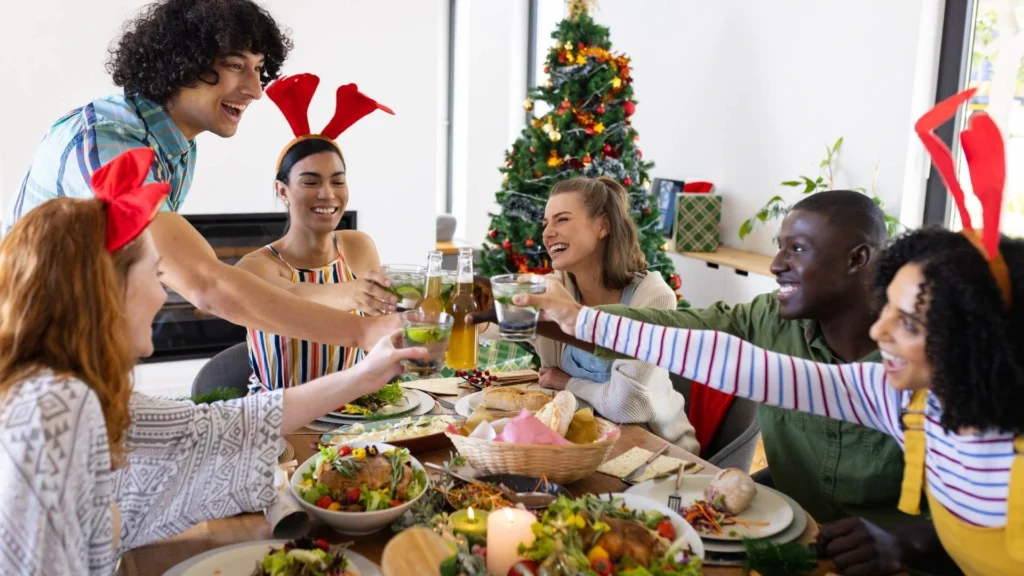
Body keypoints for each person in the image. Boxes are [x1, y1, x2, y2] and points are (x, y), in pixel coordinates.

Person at [523, 91, 1021, 576]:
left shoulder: (954, 418)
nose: (882, 328)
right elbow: (735, 363)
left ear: (974, 336)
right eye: (888, 307)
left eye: (907, 321)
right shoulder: (886, 392)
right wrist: (573, 318)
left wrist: (909, 543)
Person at [0, 148, 427, 575]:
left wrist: (366, 374)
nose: (163, 295)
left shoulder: (78, 394)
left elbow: (218, 423)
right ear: (107, 290)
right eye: (156, 274)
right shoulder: (55, 411)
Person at [490, 189, 907, 526]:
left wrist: (903, 541)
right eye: (780, 248)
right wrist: (565, 317)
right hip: (783, 533)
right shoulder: (768, 318)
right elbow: (674, 329)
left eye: (796, 249)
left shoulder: (917, 365)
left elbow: (949, 509)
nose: (777, 264)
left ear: (857, 259)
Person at [5, 0, 397, 353]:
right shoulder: (108, 141)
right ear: (183, 62)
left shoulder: (176, 146)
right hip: (30, 355)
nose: (256, 90)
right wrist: (362, 333)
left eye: (259, 69)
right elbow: (205, 283)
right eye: (236, 65)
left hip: (87, 346)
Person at [238, 74, 397, 391]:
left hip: (355, 409)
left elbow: (376, 336)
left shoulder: (358, 246)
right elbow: (288, 300)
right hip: (278, 414)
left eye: (338, 181)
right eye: (310, 182)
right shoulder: (255, 267)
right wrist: (353, 293)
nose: (328, 194)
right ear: (283, 191)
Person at [524, 176, 697, 451]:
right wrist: (479, 316)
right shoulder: (558, 289)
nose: (547, 233)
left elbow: (623, 405)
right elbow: (503, 320)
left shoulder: (653, 299)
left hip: (655, 451)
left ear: (603, 226)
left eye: (562, 219)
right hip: (584, 443)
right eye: (546, 223)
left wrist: (569, 382)